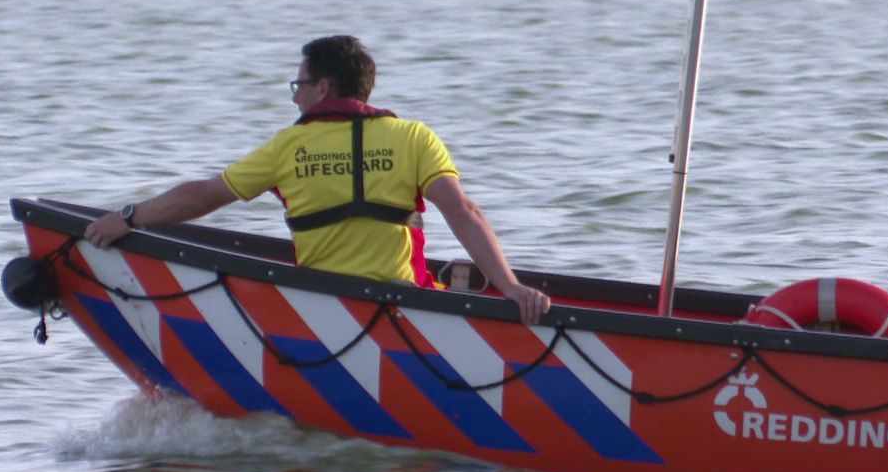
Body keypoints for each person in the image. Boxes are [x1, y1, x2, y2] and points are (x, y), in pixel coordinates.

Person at [84, 35, 550, 325]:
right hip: (408, 304)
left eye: (298, 85)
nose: (295, 98)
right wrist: (509, 287)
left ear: (323, 87)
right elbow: (463, 213)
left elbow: (202, 196)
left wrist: (128, 219)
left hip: (324, 309)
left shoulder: (288, 147)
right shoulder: (414, 137)